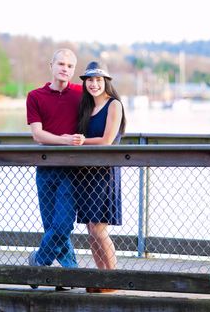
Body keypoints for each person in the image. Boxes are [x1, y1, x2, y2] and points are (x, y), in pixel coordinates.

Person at [26, 48, 85, 273]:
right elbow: (37, 135)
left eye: (70, 66)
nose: (65, 69)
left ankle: (39, 262)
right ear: (51, 66)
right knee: (51, 224)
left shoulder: (81, 95)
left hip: (72, 169)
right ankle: (69, 274)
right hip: (46, 166)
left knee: (63, 225)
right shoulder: (35, 96)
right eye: (61, 64)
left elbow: (104, 110)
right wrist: (64, 140)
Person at [76, 61, 126, 293]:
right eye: (89, 80)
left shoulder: (114, 105)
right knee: (90, 228)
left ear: (105, 81)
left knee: (99, 229)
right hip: (86, 173)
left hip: (105, 172)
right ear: (85, 83)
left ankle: (112, 278)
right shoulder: (87, 108)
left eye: (98, 80)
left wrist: (81, 141)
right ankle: (100, 278)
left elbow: (107, 140)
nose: (94, 84)